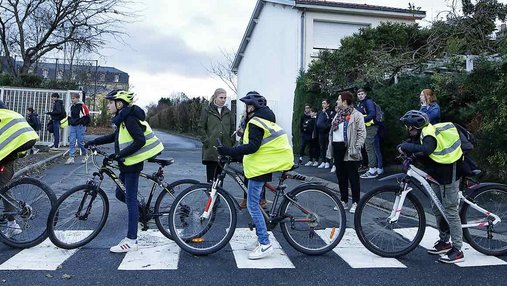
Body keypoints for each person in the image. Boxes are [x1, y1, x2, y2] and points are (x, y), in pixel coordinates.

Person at [84, 90, 164, 253]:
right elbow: (115, 136)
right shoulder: (123, 118)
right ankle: (141, 212)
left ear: (119, 104)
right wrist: (94, 142)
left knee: (130, 199)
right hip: (126, 163)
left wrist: (120, 155)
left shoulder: (129, 118)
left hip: (132, 164)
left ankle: (131, 240)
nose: (108, 105)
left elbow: (140, 140)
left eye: (110, 102)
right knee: (121, 194)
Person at [217, 91, 294, 260]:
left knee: (252, 205)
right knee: (254, 204)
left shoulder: (256, 123)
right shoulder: (261, 120)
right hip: (264, 163)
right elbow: (253, 148)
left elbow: (252, 147)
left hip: (263, 166)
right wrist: (233, 155)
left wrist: (229, 150)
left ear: (252, 107)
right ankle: (261, 237)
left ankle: (265, 244)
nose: (244, 110)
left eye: (246, 106)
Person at [398, 110, 464, 264]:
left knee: (450, 209)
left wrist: (406, 147)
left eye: (409, 126)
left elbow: (428, 149)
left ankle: (458, 249)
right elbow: (419, 149)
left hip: (449, 170)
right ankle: (444, 242)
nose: (408, 129)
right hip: (437, 171)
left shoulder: (428, 133)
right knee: (437, 207)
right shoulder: (420, 134)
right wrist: (408, 153)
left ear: (417, 126)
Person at [0, 101, 40, 238]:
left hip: (12, 145)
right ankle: (12, 224)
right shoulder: (8, 113)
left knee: (2, 186)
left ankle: (12, 224)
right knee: (3, 186)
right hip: (25, 139)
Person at [327, 91, 366, 213]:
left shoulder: (356, 115)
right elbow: (332, 131)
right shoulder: (337, 114)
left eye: (339, 99)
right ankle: (343, 200)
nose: (337, 102)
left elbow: (361, 133)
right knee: (341, 176)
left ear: (344, 101)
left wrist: (357, 147)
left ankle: (356, 202)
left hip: (350, 149)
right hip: (337, 147)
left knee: (353, 176)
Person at [198, 88, 235, 184]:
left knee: (220, 178)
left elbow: (232, 127)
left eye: (225, 98)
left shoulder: (228, 112)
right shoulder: (207, 110)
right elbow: (200, 127)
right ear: (215, 97)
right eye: (221, 97)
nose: (223, 100)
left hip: (225, 148)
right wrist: (207, 141)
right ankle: (211, 198)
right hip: (211, 149)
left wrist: (231, 141)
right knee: (211, 179)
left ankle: (218, 197)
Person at [356, 88, 383, 178]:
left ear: (365, 94)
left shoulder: (368, 102)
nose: (360, 96)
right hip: (367, 127)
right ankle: (379, 168)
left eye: (362, 94)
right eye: (359, 94)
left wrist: (360, 119)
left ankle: (372, 170)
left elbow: (372, 114)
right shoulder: (360, 104)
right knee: (375, 147)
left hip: (371, 127)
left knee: (369, 147)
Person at [65, 93, 90, 164]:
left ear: (77, 98)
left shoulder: (83, 106)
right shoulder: (71, 106)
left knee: (80, 142)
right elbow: (69, 115)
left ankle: (85, 154)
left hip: (80, 126)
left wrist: (83, 124)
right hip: (73, 125)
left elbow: (87, 116)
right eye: (72, 98)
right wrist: (70, 122)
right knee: (72, 141)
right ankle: (71, 157)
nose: (72, 100)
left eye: (73, 98)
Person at [316, 99, 335, 168]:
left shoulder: (331, 112)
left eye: (324, 103)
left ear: (328, 104)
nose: (323, 105)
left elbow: (330, 122)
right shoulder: (320, 112)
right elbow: (317, 121)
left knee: (328, 147)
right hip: (320, 132)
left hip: (327, 132)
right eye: (322, 103)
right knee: (322, 147)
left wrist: (326, 127)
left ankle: (328, 161)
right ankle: (323, 161)